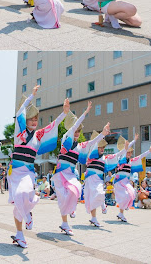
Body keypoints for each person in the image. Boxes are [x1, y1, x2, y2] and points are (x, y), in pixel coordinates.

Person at [9, 84, 66, 248]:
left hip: (27, 172)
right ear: (25, 121)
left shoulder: (39, 135)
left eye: (35, 119)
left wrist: (64, 113)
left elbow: (53, 125)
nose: (34, 122)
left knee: (24, 193)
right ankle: (20, 234)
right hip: (14, 171)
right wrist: (31, 97)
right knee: (17, 203)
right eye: (30, 119)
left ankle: (27, 213)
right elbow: (19, 112)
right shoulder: (19, 133)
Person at [53, 100, 90, 234]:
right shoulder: (65, 137)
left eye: (78, 132)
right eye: (75, 131)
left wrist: (102, 135)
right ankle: (65, 223)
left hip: (70, 173)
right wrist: (85, 113)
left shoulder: (79, 146)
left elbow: (92, 142)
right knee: (62, 198)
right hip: (60, 172)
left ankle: (71, 209)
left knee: (77, 188)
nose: (76, 134)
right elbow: (74, 127)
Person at [83, 124, 121, 227]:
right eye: (100, 147)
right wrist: (103, 134)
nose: (102, 149)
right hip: (90, 178)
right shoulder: (91, 155)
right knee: (92, 198)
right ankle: (94, 218)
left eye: (103, 147)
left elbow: (115, 156)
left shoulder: (104, 158)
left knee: (100, 194)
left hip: (99, 180)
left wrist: (125, 150)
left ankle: (103, 204)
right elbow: (94, 144)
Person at [114, 136, 151, 222]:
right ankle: (122, 210)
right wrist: (134, 141)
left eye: (131, 152)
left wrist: (149, 151)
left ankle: (121, 213)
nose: (129, 154)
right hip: (119, 181)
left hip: (126, 181)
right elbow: (124, 150)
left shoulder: (131, 161)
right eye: (128, 152)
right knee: (124, 196)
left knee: (132, 193)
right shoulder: (121, 158)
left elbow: (140, 156)